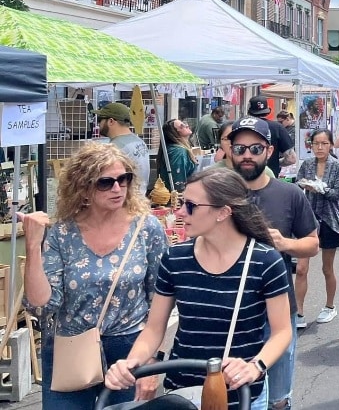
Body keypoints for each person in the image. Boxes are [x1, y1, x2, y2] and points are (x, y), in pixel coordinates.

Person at [104, 168, 293, 410]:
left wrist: (255, 366)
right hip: (182, 392)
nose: (180, 212)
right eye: (182, 203)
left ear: (223, 212)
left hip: (242, 391)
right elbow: (153, 329)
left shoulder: (264, 261)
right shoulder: (175, 258)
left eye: (191, 205)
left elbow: (282, 331)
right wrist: (130, 364)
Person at [21, 143, 167, 409]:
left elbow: (160, 297)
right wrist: (32, 245)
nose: (117, 188)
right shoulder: (63, 232)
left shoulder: (146, 228)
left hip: (129, 348)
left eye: (124, 179)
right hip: (71, 346)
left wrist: (152, 360)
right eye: (105, 182)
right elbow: (42, 304)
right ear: (84, 187)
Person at [228, 116, 319, 410]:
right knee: (232, 392)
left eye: (255, 148)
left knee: (278, 396)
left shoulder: (289, 194)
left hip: (276, 310)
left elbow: (312, 244)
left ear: (269, 151)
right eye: (239, 148)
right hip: (228, 311)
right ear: (229, 150)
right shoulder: (217, 194)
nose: (246, 155)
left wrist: (284, 243)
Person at [296, 128, 339, 327]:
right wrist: (304, 185)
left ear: (331, 145)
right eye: (316, 143)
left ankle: (330, 306)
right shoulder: (307, 164)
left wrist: (321, 188)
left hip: (329, 219)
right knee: (301, 268)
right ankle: (298, 312)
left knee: (327, 268)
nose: (320, 147)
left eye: (324, 143)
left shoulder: (337, 166)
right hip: (307, 219)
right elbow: (298, 183)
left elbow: (337, 194)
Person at [96, 102, 151, 196]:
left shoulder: (115, 147)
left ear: (111, 121)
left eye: (100, 120)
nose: (98, 125)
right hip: (139, 199)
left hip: (125, 200)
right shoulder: (139, 141)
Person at [247, 96, 296, 177]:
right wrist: (276, 163)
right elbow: (291, 159)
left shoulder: (241, 128)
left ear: (249, 111)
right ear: (268, 111)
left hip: (245, 177)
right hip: (270, 178)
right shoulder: (278, 128)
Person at [157, 118, 198, 192]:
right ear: (175, 132)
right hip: (177, 198)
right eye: (182, 126)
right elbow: (178, 182)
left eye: (185, 123)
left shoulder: (176, 149)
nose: (187, 125)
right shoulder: (178, 152)